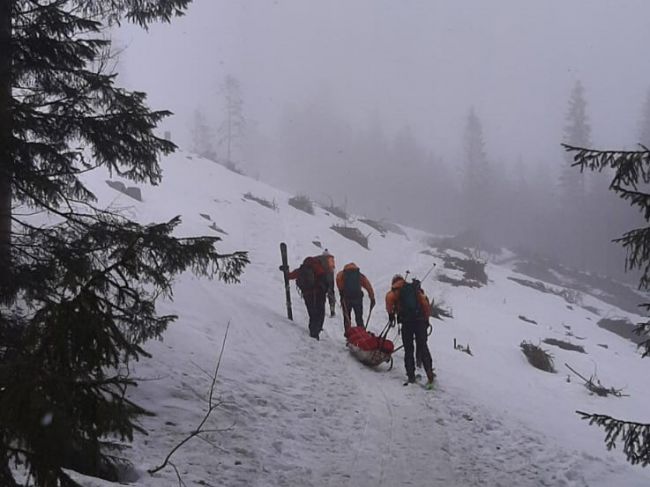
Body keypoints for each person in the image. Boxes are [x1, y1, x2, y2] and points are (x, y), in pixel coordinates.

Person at [385, 274, 435, 387]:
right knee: (423, 346)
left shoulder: (395, 291)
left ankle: (411, 376)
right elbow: (425, 304)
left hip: (407, 322)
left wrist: (391, 315)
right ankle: (429, 372)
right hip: (420, 321)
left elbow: (388, 300)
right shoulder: (414, 288)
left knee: (408, 349)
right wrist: (426, 320)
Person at [288, 256, 329, 340]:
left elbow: (290, 276)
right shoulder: (319, 267)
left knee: (312, 312)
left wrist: (285, 271)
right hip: (319, 294)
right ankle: (316, 331)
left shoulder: (301, 269)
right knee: (320, 312)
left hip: (307, 294)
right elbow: (325, 281)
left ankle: (313, 331)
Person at [336, 262, 375, 332]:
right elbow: (368, 285)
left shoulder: (342, 274)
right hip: (358, 298)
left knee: (347, 318)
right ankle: (362, 333)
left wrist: (341, 291)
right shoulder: (359, 275)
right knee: (359, 317)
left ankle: (349, 335)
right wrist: (372, 298)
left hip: (346, 299)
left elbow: (338, 280)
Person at [319, 250, 337, 317]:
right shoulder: (331, 259)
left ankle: (321, 310)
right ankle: (332, 310)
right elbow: (333, 268)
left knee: (321, 294)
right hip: (330, 277)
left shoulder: (320, 259)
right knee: (331, 294)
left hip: (322, 278)